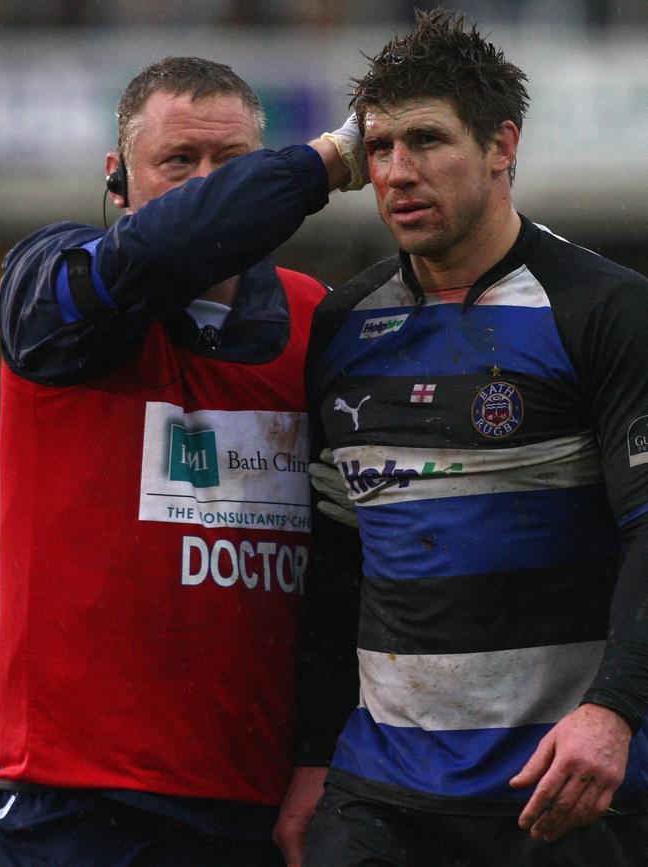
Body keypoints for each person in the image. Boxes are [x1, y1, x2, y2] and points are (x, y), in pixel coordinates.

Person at [274, 9, 648, 866]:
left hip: (558, 790)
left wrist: (615, 708)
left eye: (428, 140)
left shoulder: (605, 312)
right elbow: (336, 555)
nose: (398, 172)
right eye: (379, 148)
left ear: (502, 145)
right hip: (381, 793)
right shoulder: (342, 325)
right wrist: (311, 753)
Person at [0, 56, 365, 866]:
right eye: (177, 163)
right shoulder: (46, 283)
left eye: (229, 166)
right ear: (117, 181)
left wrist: (318, 753)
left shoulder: (317, 320)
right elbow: (162, 252)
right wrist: (326, 160)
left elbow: (344, 567)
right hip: (69, 798)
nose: (204, 187)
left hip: (255, 804)